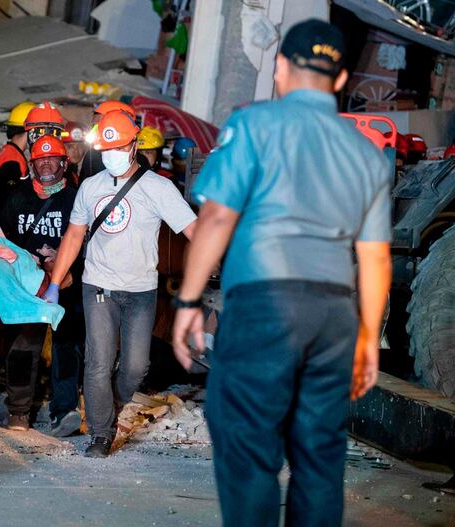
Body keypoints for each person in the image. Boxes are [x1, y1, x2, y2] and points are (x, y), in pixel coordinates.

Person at [171, 19, 392, 527]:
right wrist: (365, 337)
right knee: (319, 455)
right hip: (334, 314)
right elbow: (376, 257)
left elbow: (218, 216)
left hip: (265, 306)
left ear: (282, 68)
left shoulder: (253, 125)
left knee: (247, 442)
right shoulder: (367, 153)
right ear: (339, 81)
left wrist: (187, 303)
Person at [46, 109, 197, 457]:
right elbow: (73, 235)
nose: (111, 155)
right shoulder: (90, 187)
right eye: (105, 149)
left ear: (133, 146)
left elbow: (192, 229)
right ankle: (100, 432)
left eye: (118, 147)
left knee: (135, 367)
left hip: (142, 289)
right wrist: (55, 282)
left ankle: (113, 399)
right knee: (98, 361)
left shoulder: (158, 188)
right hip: (98, 285)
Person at [0, 135, 83, 436]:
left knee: (66, 347)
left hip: (66, 284)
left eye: (52, 158)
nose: (46, 163)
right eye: (39, 159)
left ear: (64, 163)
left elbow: (86, 242)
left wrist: (70, 269)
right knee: (23, 346)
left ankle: (64, 411)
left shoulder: (75, 198)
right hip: (26, 285)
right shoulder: (16, 197)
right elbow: (3, 241)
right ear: (32, 164)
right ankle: (18, 412)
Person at [0, 101, 36, 216]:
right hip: (7, 228)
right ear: (30, 131)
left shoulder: (8, 152)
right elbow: (12, 201)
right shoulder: (12, 160)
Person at [80, 100, 136, 185]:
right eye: (93, 126)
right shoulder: (92, 156)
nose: (93, 132)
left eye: (99, 126)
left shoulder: (140, 161)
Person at [62, 120, 88, 187]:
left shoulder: (87, 170)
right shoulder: (60, 176)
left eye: (80, 146)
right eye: (70, 146)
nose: (75, 150)